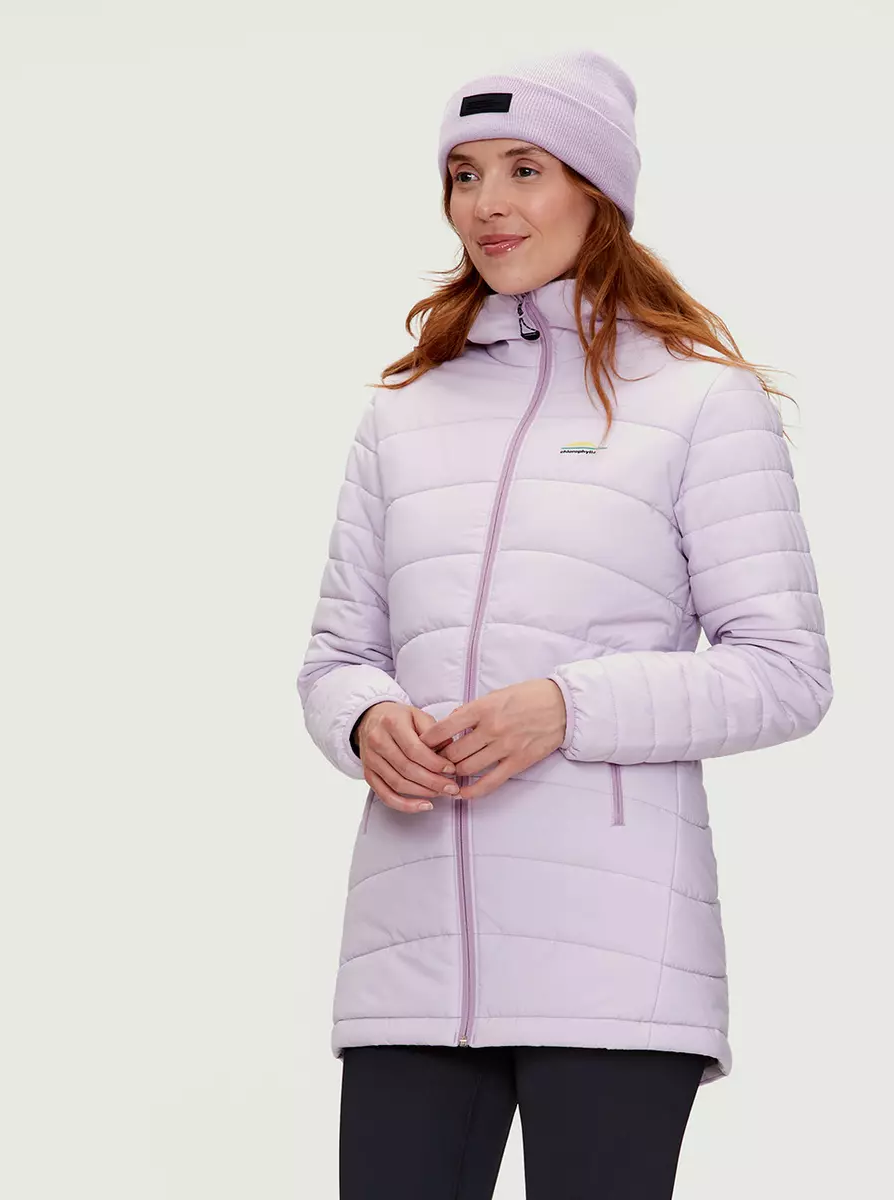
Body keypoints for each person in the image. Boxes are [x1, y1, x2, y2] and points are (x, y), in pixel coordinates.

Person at [296, 48, 833, 1200]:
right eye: (464, 174)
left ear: (598, 189)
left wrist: (565, 707)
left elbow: (785, 671)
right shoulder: (405, 409)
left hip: (613, 957)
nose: (486, 204)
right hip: (412, 956)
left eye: (524, 169)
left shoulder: (698, 399)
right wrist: (366, 720)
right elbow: (339, 655)